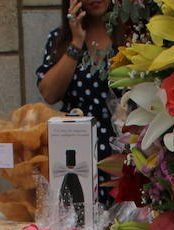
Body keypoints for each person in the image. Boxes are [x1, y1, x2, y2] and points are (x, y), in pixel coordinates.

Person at [36, 0, 123, 166]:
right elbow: (49, 94)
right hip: (76, 150)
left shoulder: (133, 35)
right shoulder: (60, 38)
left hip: (124, 148)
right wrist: (76, 41)